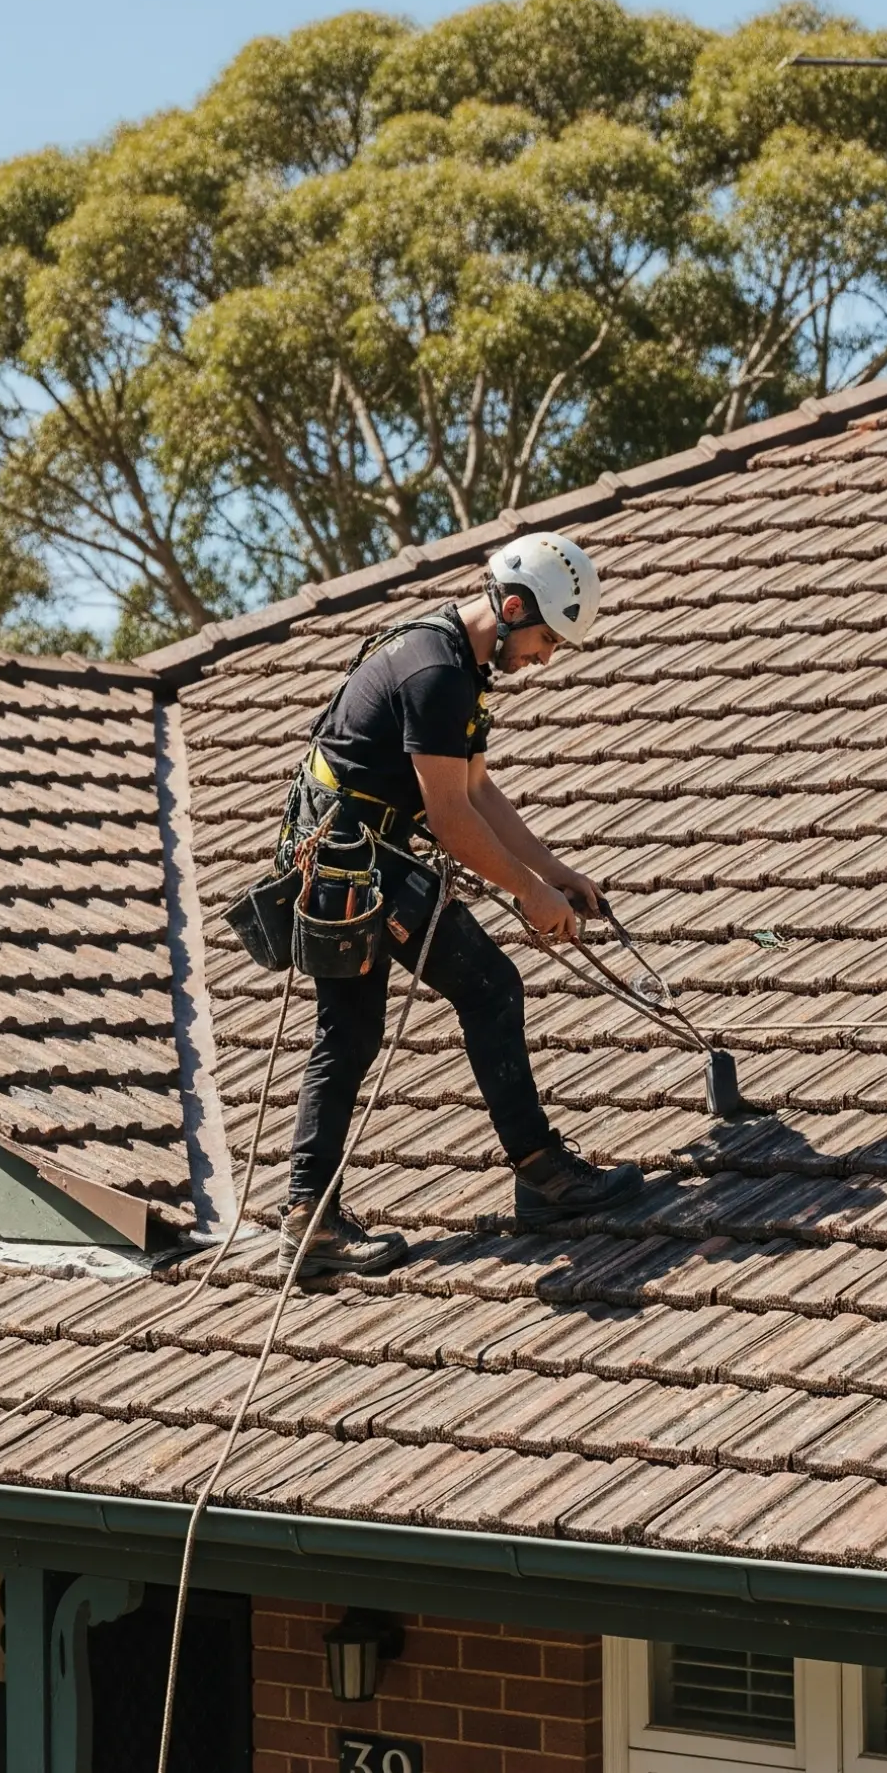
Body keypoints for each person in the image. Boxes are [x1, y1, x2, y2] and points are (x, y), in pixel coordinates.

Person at [278, 534, 644, 1277]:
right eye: (544, 641)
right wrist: (530, 894)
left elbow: (478, 790)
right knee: (481, 987)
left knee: (353, 1030)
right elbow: (450, 821)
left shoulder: (462, 666)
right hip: (348, 858)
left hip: (363, 851)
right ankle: (542, 1173)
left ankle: (310, 1216)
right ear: (512, 609)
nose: (544, 659)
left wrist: (555, 872)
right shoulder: (437, 672)